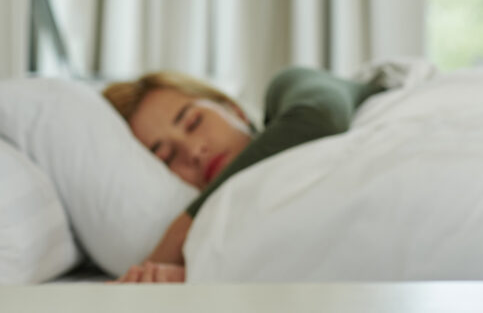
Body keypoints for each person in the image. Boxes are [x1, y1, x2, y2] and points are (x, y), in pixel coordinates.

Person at [103, 66, 386, 283]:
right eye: (168, 157)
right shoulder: (224, 230)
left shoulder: (286, 87)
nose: (194, 151)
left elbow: (319, 117)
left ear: (233, 109)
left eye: (194, 122)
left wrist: (179, 234)